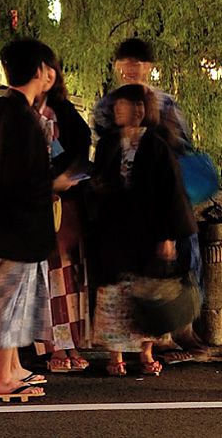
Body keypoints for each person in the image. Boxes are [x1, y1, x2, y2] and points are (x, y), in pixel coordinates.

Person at [0, 38, 78, 402]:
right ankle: (2, 376)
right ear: (43, 71)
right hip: (16, 224)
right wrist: (57, 182)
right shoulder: (25, 120)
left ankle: (12, 367)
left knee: (6, 299)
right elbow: (27, 177)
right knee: (8, 302)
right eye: (50, 68)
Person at [93, 37, 207, 362]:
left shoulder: (166, 106)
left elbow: (182, 147)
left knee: (170, 268)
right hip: (121, 215)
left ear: (148, 67)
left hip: (157, 200)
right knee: (121, 282)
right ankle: (127, 348)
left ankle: (173, 331)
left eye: (137, 63)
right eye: (125, 63)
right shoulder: (107, 106)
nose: (130, 69)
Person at [33, 51, 93, 373]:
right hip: (40, 205)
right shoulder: (25, 112)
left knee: (69, 276)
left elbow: (83, 148)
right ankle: (53, 344)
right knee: (47, 276)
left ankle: (71, 342)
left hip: (66, 205)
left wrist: (67, 177)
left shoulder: (66, 113)